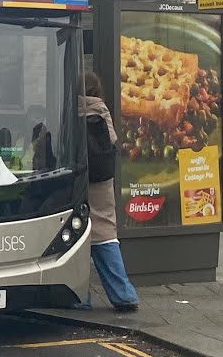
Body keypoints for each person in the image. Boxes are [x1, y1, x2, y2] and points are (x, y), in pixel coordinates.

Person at [78, 71, 139, 312]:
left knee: (75, 239)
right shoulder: (102, 111)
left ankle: (79, 297)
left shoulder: (66, 109)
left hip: (78, 182)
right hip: (102, 182)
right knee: (105, 236)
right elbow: (112, 141)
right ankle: (123, 295)